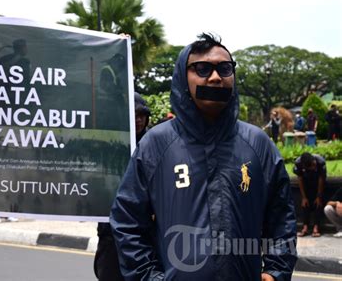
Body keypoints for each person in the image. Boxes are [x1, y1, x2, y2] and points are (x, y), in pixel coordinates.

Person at [110, 33, 297, 281]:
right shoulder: (156, 144)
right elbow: (127, 220)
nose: (216, 77)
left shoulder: (257, 144)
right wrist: (149, 277)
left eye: (224, 68)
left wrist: (275, 271)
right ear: (182, 77)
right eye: (202, 69)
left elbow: (282, 216)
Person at [94, 92, 151, 281]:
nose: (138, 121)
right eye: (133, 116)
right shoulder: (107, 143)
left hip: (144, 231)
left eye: (142, 116)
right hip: (112, 231)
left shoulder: (153, 145)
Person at [294, 152, 326, 238]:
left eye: (314, 164)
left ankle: (316, 227)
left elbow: (321, 179)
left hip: (317, 184)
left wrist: (319, 196)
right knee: (305, 203)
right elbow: (300, 179)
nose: (314, 166)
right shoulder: (298, 164)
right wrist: (304, 197)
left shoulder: (320, 162)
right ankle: (305, 227)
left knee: (318, 203)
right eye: (312, 166)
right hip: (306, 183)